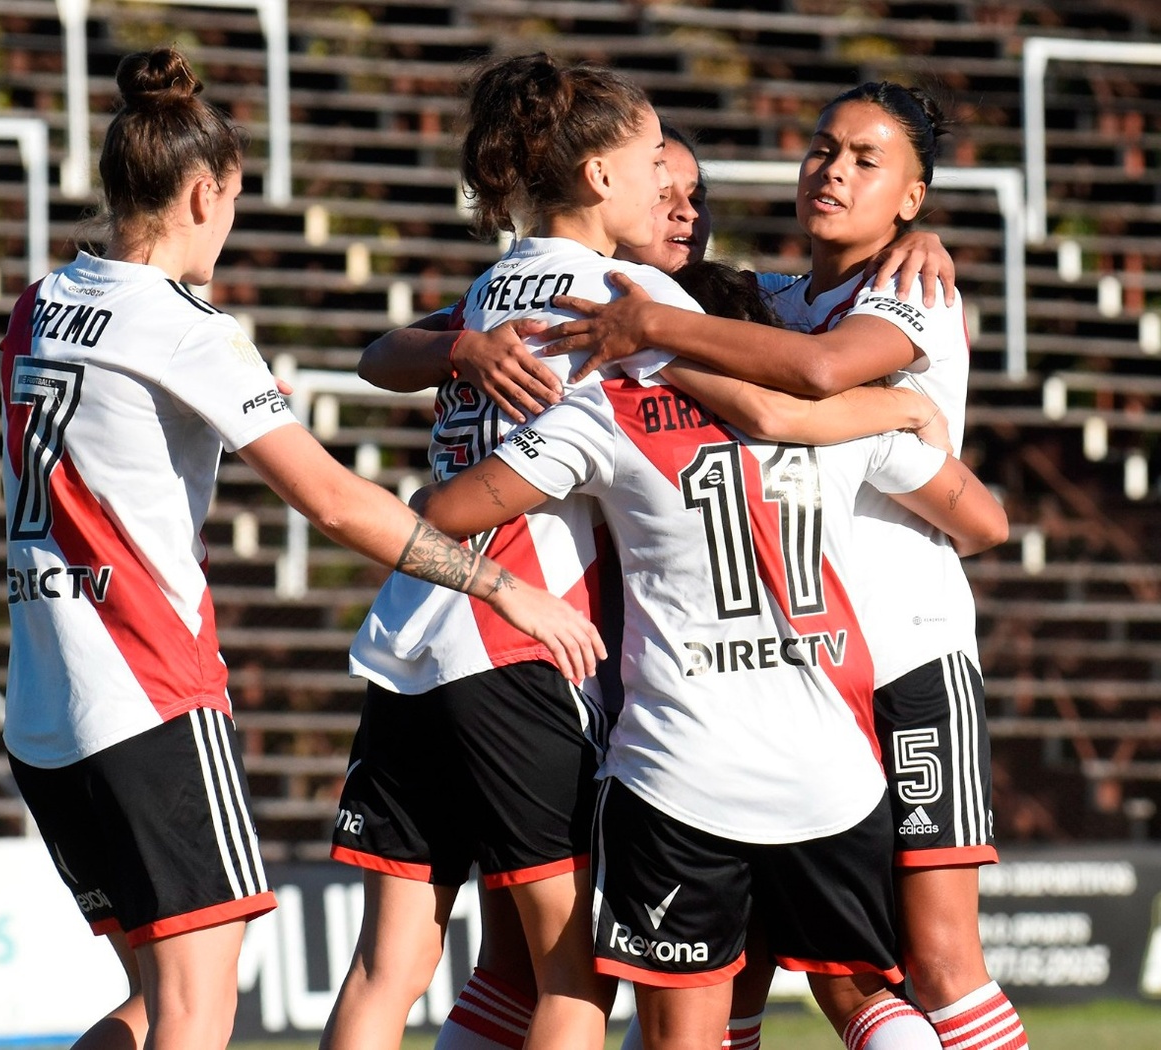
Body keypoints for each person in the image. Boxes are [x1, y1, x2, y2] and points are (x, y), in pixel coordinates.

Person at [0, 47, 603, 1050]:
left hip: (43, 703)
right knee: (200, 1004)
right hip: (144, 693)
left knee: (155, 1001)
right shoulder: (184, 325)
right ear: (203, 193)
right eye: (232, 204)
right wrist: (498, 582)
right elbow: (329, 499)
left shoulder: (41, 303)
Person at [356, 118, 957, 1050]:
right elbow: (959, 500)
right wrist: (900, 405)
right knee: (846, 993)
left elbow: (395, 394)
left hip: (529, 676)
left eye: (697, 194)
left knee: (479, 971)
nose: (682, 206)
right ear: (605, 183)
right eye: (660, 182)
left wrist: (459, 353)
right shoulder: (656, 326)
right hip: (759, 704)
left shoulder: (578, 318)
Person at [539, 81, 1029, 1050]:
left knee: (930, 963)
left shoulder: (912, 296)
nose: (833, 171)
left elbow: (810, 378)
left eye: (865, 160)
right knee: (748, 964)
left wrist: (654, 332)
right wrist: (475, 331)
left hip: (909, 659)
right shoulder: (779, 302)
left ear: (913, 199)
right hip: (796, 680)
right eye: (822, 149)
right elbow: (710, 301)